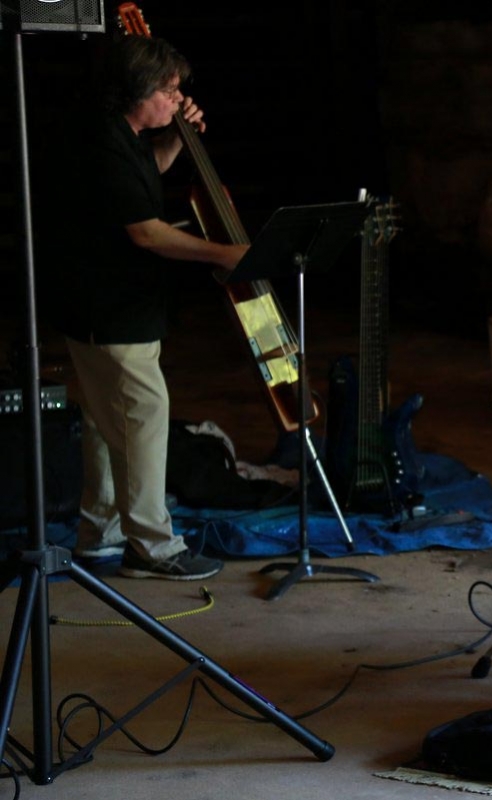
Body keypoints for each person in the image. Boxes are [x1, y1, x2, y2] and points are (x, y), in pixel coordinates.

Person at [56, 36, 248, 579]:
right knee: (142, 417)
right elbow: (145, 230)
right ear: (139, 91)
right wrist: (224, 253)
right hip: (109, 307)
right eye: (168, 90)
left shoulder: (125, 135)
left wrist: (178, 138)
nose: (176, 99)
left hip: (112, 306)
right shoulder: (102, 142)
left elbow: (146, 179)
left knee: (107, 423)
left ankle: (100, 536)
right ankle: (153, 546)